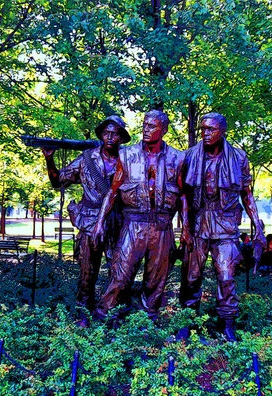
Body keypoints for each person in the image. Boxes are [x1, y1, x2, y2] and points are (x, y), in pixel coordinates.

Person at [93, 110, 189, 321]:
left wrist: (186, 230)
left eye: (152, 126)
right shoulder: (126, 155)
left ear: (163, 130)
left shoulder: (178, 158)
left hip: (162, 227)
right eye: (144, 125)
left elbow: (182, 196)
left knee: (156, 280)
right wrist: (99, 223)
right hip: (133, 225)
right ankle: (103, 317)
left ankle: (148, 321)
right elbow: (113, 191)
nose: (146, 129)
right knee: (121, 275)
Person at [179, 112, 265, 342]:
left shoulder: (238, 158)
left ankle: (227, 324)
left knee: (226, 276)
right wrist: (185, 227)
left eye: (211, 129)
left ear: (222, 131)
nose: (206, 134)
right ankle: (187, 322)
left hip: (225, 224)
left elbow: (246, 194)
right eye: (203, 129)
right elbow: (184, 195)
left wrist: (257, 225)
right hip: (198, 223)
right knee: (191, 277)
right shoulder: (189, 157)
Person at [41, 115, 130, 317]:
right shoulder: (87, 158)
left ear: (121, 137)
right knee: (87, 271)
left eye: (114, 133)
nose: (109, 137)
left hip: (119, 222)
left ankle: (113, 312)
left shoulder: (129, 158)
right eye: (106, 133)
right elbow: (58, 182)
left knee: (119, 270)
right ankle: (83, 312)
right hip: (89, 221)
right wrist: (49, 159)